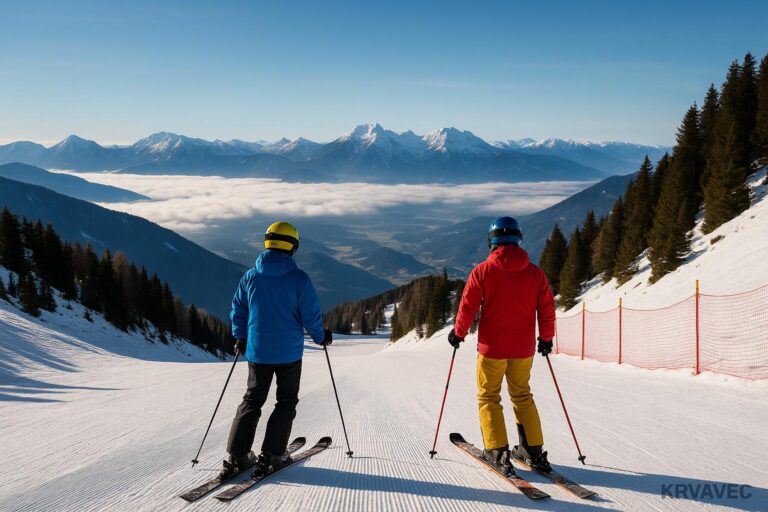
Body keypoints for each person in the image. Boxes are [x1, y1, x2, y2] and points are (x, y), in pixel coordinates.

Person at [219, 221, 332, 479]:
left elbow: (238, 310)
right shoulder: (299, 279)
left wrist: (241, 337)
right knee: (286, 401)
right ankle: (273, 455)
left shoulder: (251, 276)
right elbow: (311, 315)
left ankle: (238, 456)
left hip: (257, 352)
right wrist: (321, 336)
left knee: (252, 400)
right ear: (293, 246)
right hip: (288, 354)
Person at [449, 216, 556, 473]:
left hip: (492, 349)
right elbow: (547, 310)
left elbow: (468, 306)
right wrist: (546, 339)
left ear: (492, 242)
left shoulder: (483, 271)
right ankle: (532, 451)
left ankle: (497, 452)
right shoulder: (535, 273)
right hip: (523, 350)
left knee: (489, 396)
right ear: (518, 239)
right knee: (522, 395)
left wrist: (459, 333)